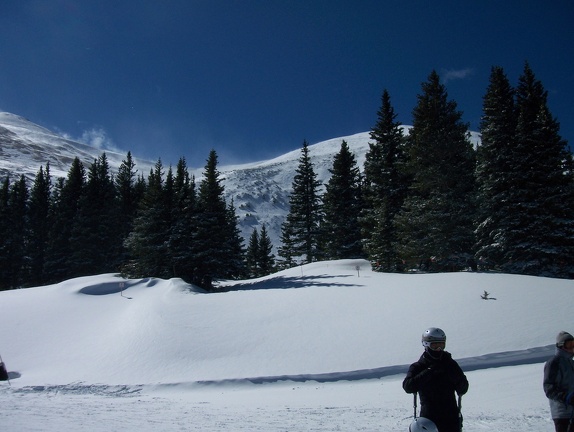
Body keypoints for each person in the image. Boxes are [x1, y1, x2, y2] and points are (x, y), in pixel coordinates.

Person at [403, 327, 469, 432]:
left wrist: (451, 372)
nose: (438, 349)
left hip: (451, 419)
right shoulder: (418, 366)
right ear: (426, 344)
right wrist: (429, 371)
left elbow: (463, 388)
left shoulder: (450, 364)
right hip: (428, 420)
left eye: (441, 345)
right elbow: (408, 387)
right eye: (434, 345)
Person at [544, 331, 574, 432]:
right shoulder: (554, 363)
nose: (572, 348)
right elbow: (549, 388)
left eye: (573, 344)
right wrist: (566, 397)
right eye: (569, 345)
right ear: (561, 346)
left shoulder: (571, 363)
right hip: (562, 414)